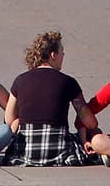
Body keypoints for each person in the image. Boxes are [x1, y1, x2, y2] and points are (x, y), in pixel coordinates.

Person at [6, 31, 93, 166]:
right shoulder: (68, 82)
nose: (63, 55)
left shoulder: (20, 80)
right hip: (58, 149)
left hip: (26, 151)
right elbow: (89, 122)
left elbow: (9, 119)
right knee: (90, 132)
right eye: (61, 51)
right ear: (53, 55)